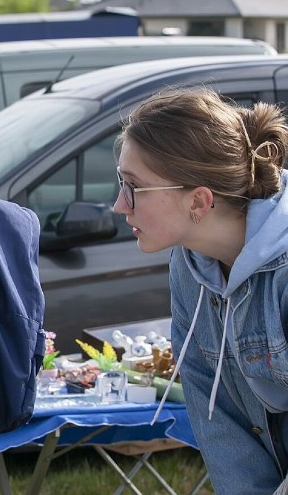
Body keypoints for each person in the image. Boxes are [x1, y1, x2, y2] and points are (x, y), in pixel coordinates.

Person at [113, 88, 288, 494]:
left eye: (133, 186)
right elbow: (218, 418)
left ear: (199, 201)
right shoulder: (188, 264)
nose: (120, 206)